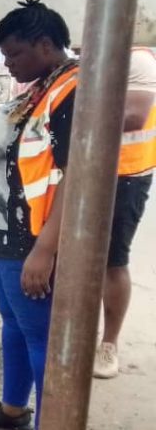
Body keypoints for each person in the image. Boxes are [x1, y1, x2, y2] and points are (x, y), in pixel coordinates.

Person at [0, 0, 76, 429]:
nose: (8, 64)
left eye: (13, 53)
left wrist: (45, 250)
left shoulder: (71, 89)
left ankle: (52, 422)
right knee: (14, 326)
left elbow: (75, 175)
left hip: (32, 238)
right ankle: (12, 410)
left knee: (40, 337)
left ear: (45, 44)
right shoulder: (42, 87)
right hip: (4, 232)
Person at [93, 47, 156, 379]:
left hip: (126, 174)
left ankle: (109, 344)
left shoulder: (137, 58)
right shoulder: (88, 53)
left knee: (113, 260)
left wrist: (75, 118)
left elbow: (134, 116)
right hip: (89, 170)